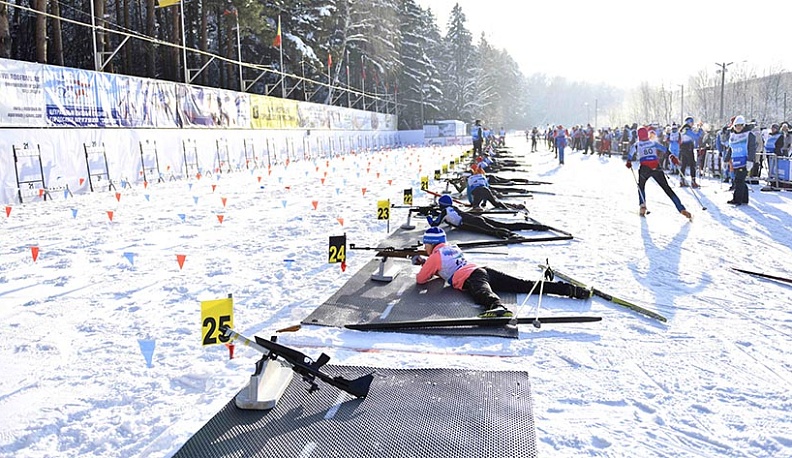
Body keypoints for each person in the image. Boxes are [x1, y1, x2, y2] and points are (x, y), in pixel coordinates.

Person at [412, 227, 592, 318]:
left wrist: (423, 265)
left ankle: (496, 307)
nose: (424, 247)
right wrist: (426, 262)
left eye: (425, 244)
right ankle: (570, 290)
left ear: (430, 243)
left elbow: (421, 280)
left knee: (482, 293)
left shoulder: (435, 256)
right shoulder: (451, 247)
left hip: (470, 277)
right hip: (483, 270)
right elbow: (444, 268)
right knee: (524, 284)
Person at [627, 127, 692, 219]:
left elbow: (630, 154)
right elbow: (665, 150)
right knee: (667, 188)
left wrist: (629, 162)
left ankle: (642, 206)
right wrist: (672, 157)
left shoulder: (637, 144)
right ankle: (681, 208)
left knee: (641, 186)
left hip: (645, 168)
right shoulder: (653, 143)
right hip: (656, 167)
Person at [427, 195, 550, 239]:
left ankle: (510, 236)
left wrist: (429, 217)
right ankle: (536, 227)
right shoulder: (452, 208)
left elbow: (435, 224)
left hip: (470, 223)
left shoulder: (444, 212)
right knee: (506, 225)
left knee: (492, 231)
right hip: (474, 218)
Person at [726, 115, 757, 205]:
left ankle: (737, 199)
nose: (738, 127)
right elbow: (730, 148)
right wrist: (726, 159)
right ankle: (744, 199)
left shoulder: (749, 135)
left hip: (745, 161)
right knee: (740, 180)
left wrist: (750, 160)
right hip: (736, 161)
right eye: (736, 125)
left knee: (739, 180)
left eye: (740, 125)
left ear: (743, 125)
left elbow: (752, 148)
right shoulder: (733, 135)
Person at [679, 116, 704, 188]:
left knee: (683, 164)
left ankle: (682, 180)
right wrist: (700, 130)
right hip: (688, 147)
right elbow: (696, 137)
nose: (693, 124)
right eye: (692, 122)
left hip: (683, 147)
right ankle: (693, 181)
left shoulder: (684, 129)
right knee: (692, 164)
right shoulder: (687, 129)